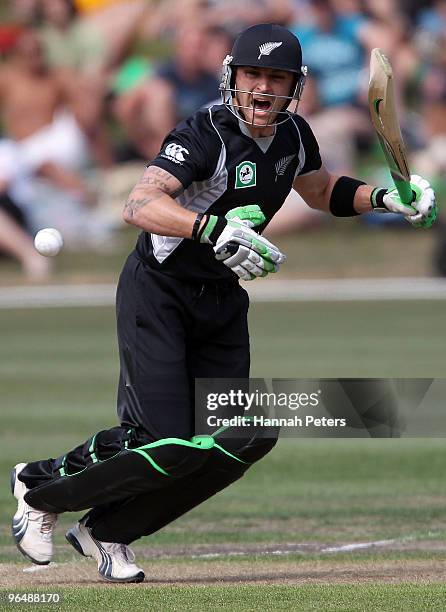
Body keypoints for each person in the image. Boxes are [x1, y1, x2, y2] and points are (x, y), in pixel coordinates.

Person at [10, 23, 437, 583]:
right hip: (159, 293)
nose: (263, 89)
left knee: (247, 432)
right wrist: (209, 228)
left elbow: (321, 190)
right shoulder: (204, 133)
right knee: (169, 443)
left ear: (294, 86)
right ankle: (41, 492)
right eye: (253, 75)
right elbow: (140, 203)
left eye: (276, 79)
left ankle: (108, 530)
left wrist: (386, 198)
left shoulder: (294, 136)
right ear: (232, 77)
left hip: (222, 304)